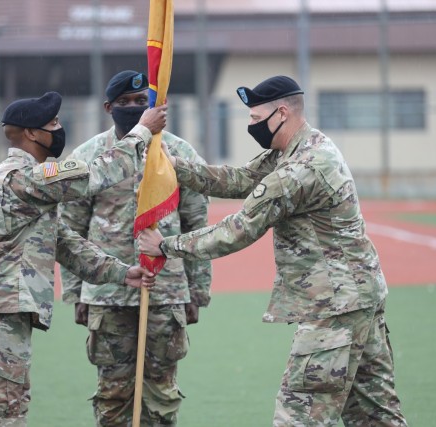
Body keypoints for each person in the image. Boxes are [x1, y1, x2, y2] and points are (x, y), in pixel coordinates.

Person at [138, 76, 408, 426]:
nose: (251, 126)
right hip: (357, 300)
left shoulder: (301, 169)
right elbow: (238, 180)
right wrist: (175, 167)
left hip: (334, 309)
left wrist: (165, 246)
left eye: (255, 118)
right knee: (375, 416)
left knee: (298, 415)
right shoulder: (299, 148)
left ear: (282, 112)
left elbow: (238, 230)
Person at [0, 91, 167, 426]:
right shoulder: (23, 178)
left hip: (0, 311)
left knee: (9, 407)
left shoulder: (33, 181)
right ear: (32, 134)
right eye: (53, 123)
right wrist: (141, 131)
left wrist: (123, 273)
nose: (60, 128)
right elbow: (96, 174)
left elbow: (65, 243)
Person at [58, 70, 212, 426]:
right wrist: (76, 292)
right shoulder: (91, 156)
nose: (133, 108)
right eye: (124, 103)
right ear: (108, 107)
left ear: (154, 105)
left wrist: (197, 292)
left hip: (166, 289)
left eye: (140, 102)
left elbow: (196, 228)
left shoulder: (178, 152)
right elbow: (70, 231)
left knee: (161, 393)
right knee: (112, 394)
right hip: (106, 292)